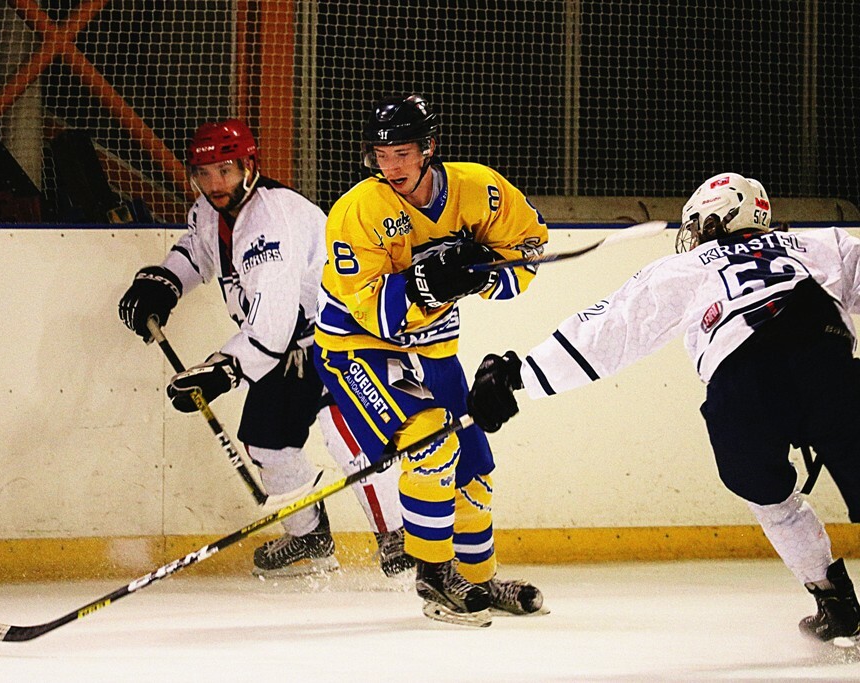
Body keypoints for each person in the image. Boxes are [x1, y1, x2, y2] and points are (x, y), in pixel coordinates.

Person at [467, 172, 860, 643]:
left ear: (715, 220)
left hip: (743, 381)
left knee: (768, 495)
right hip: (826, 357)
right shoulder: (820, 243)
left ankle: (834, 601)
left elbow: (612, 328)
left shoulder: (688, 267)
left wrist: (520, 374)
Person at [118, 119, 412, 578]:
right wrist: (166, 282)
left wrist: (221, 372)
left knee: (344, 429)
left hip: (340, 334)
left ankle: (401, 536)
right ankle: (309, 539)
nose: (215, 184)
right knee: (266, 441)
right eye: (205, 173)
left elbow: (271, 326)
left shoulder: (271, 220)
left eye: (225, 170)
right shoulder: (211, 211)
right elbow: (197, 252)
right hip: (288, 344)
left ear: (249, 166)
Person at [313, 94, 549, 626]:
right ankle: (434, 574)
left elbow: (529, 247)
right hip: (359, 348)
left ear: (429, 149)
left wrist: (485, 273)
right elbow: (371, 311)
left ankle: (478, 577)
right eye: (381, 155)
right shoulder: (358, 210)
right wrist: (427, 282)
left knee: (474, 467)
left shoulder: (478, 189)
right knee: (431, 438)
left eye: (401, 153)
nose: (391, 166)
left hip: (436, 347)